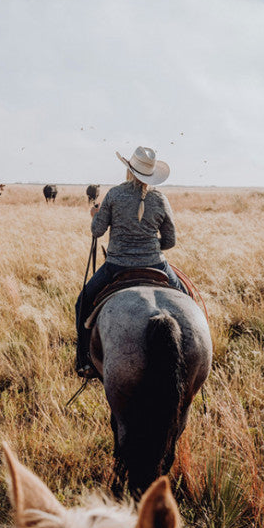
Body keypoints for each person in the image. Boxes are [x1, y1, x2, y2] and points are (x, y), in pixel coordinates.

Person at [74, 146, 186, 378]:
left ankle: (84, 359)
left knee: (83, 302)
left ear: (129, 170)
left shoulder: (114, 195)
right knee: (187, 299)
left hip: (117, 266)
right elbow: (170, 240)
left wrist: (95, 215)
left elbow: (97, 231)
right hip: (156, 264)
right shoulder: (160, 198)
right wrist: (150, 247)